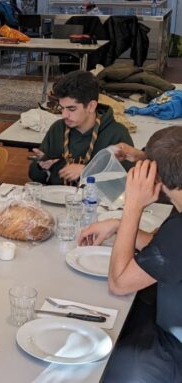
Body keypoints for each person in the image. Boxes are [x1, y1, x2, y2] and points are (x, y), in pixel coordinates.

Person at [78, 126, 182, 382]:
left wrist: (132, 207)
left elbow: (120, 282)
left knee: (95, 357)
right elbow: (164, 251)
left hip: (172, 347)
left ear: (154, 178)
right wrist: (116, 225)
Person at [28, 70, 133, 185]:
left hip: (96, 202)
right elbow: (36, 178)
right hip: (57, 199)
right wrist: (41, 167)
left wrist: (87, 171)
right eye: (62, 108)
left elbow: (125, 182)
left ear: (91, 106)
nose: (64, 115)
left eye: (71, 109)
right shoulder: (57, 129)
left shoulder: (116, 134)